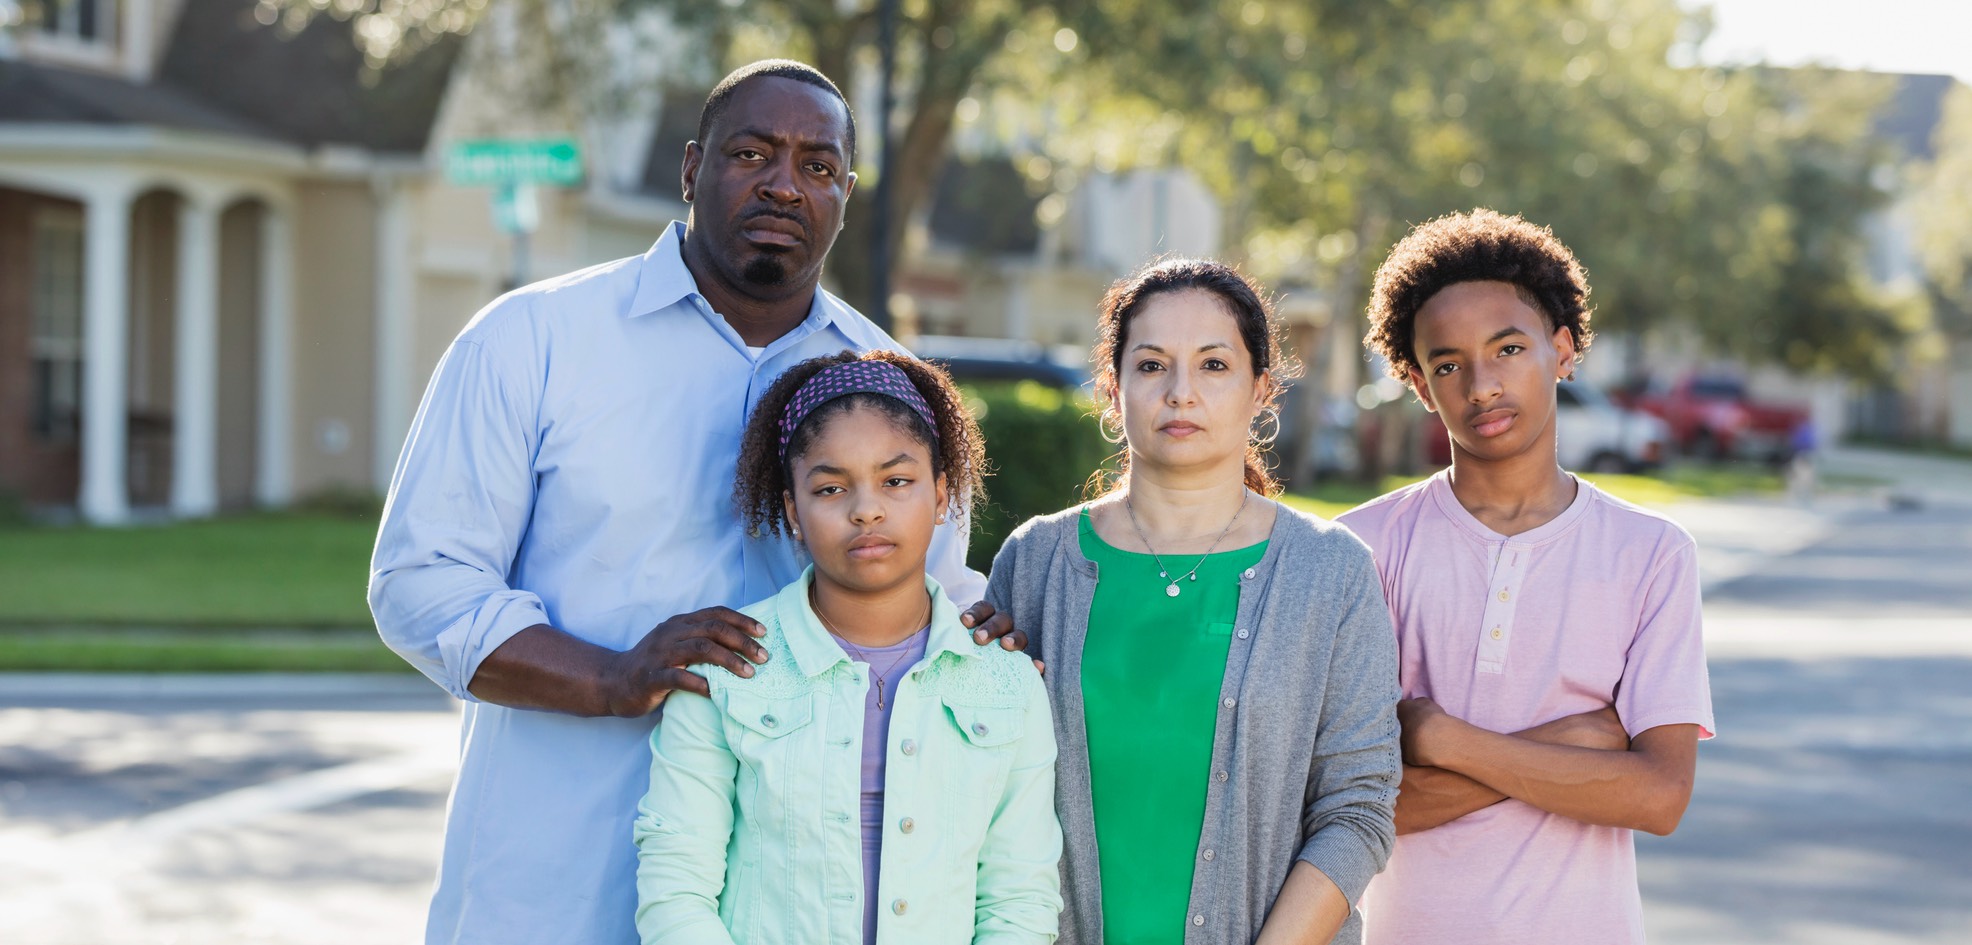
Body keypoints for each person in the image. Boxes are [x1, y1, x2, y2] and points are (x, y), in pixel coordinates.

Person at [367, 60, 1020, 945]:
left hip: (791, 912)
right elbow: (421, 584)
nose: (786, 184)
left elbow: (932, 618)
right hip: (552, 889)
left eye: (818, 166)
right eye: (752, 153)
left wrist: (987, 636)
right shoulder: (531, 341)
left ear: (847, 193)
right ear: (691, 168)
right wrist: (612, 678)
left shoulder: (895, 395)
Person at [985, 258, 1402, 945]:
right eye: (1151, 366)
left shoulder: (1333, 573)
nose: (1181, 391)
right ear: (1112, 388)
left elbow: (1357, 809)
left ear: (1261, 390)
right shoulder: (1036, 564)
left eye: (1214, 365)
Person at [1338, 209, 1715, 945]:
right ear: (1418, 383)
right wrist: (1576, 743)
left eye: (1508, 348)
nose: (1481, 384)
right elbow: (1351, 812)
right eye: (1447, 363)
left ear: (1563, 350)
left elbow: (1661, 795)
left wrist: (1442, 737)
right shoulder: (1358, 550)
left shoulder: (1653, 552)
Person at [633, 351, 1061, 945]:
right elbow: (675, 889)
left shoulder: (1007, 682)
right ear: (794, 512)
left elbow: (1019, 901)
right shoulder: (728, 668)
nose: (866, 509)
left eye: (896, 480)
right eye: (831, 487)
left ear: (941, 496)